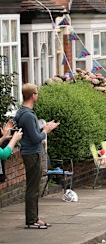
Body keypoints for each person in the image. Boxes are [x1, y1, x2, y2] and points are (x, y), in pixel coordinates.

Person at [14, 83, 59, 229]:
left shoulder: (24, 112)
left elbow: (31, 132)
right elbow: (34, 138)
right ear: (33, 95)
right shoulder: (27, 115)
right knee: (33, 188)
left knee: (33, 187)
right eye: (37, 93)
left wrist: (44, 128)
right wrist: (46, 130)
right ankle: (32, 220)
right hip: (32, 153)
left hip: (31, 152)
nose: (38, 95)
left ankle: (34, 218)